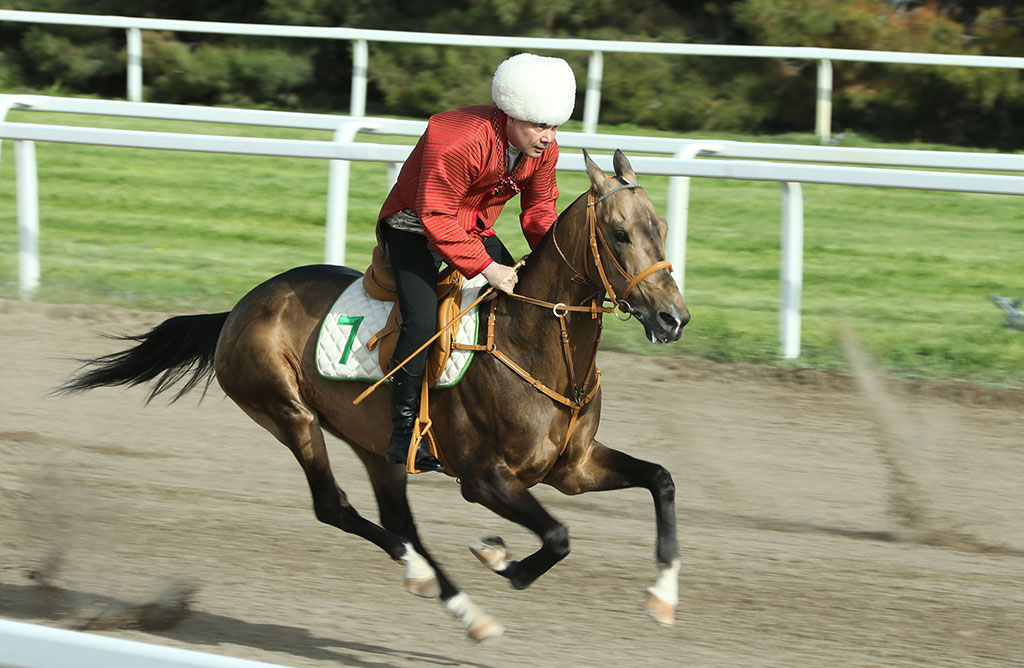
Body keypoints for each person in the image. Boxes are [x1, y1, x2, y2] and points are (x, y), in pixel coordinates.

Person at [376, 52, 577, 472]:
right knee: (423, 321)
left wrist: (557, 261)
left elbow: (539, 211)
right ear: (509, 113)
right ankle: (403, 432)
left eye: (554, 125)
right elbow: (436, 215)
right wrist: (489, 268)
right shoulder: (455, 138)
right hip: (414, 228)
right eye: (539, 125)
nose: (548, 137)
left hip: (470, 230)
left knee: (524, 304)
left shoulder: (543, 150)